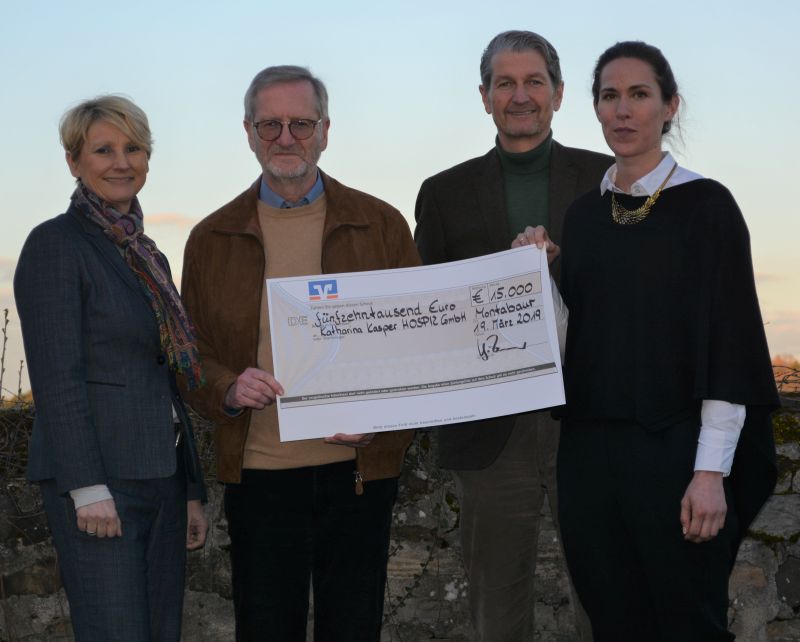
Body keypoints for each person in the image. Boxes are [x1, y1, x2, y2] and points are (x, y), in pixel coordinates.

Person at [539, 41, 778, 641]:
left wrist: (710, 472)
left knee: (687, 621)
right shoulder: (583, 217)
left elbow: (730, 343)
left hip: (675, 452)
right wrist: (533, 283)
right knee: (613, 621)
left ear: (670, 106)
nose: (623, 110)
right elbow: (575, 342)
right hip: (589, 453)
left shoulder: (707, 206)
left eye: (639, 95)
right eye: (609, 96)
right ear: (594, 107)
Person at [180, 65, 421, 642]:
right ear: (247, 131)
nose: (285, 138)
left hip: (359, 472)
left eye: (300, 123)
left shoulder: (381, 223)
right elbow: (190, 354)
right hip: (260, 475)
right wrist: (228, 388)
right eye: (270, 124)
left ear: (326, 129)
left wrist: (381, 418)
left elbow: (416, 345)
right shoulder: (211, 238)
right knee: (265, 630)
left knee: (353, 628)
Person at [414, 30, 610, 641]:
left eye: (533, 82)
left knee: (609, 600)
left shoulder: (609, 179)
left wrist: (557, 267)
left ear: (557, 93)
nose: (519, 95)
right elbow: (427, 310)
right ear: (484, 96)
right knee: (496, 613)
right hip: (489, 429)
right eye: (505, 83)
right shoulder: (443, 192)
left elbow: (637, 299)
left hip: (594, 423)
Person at [14, 95, 208, 642]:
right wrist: (86, 488)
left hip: (161, 479)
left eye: (134, 147)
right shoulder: (55, 244)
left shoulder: (148, 255)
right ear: (75, 162)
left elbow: (162, 375)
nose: (122, 161)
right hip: (102, 487)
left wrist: (190, 487)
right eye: (104, 149)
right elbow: (58, 379)